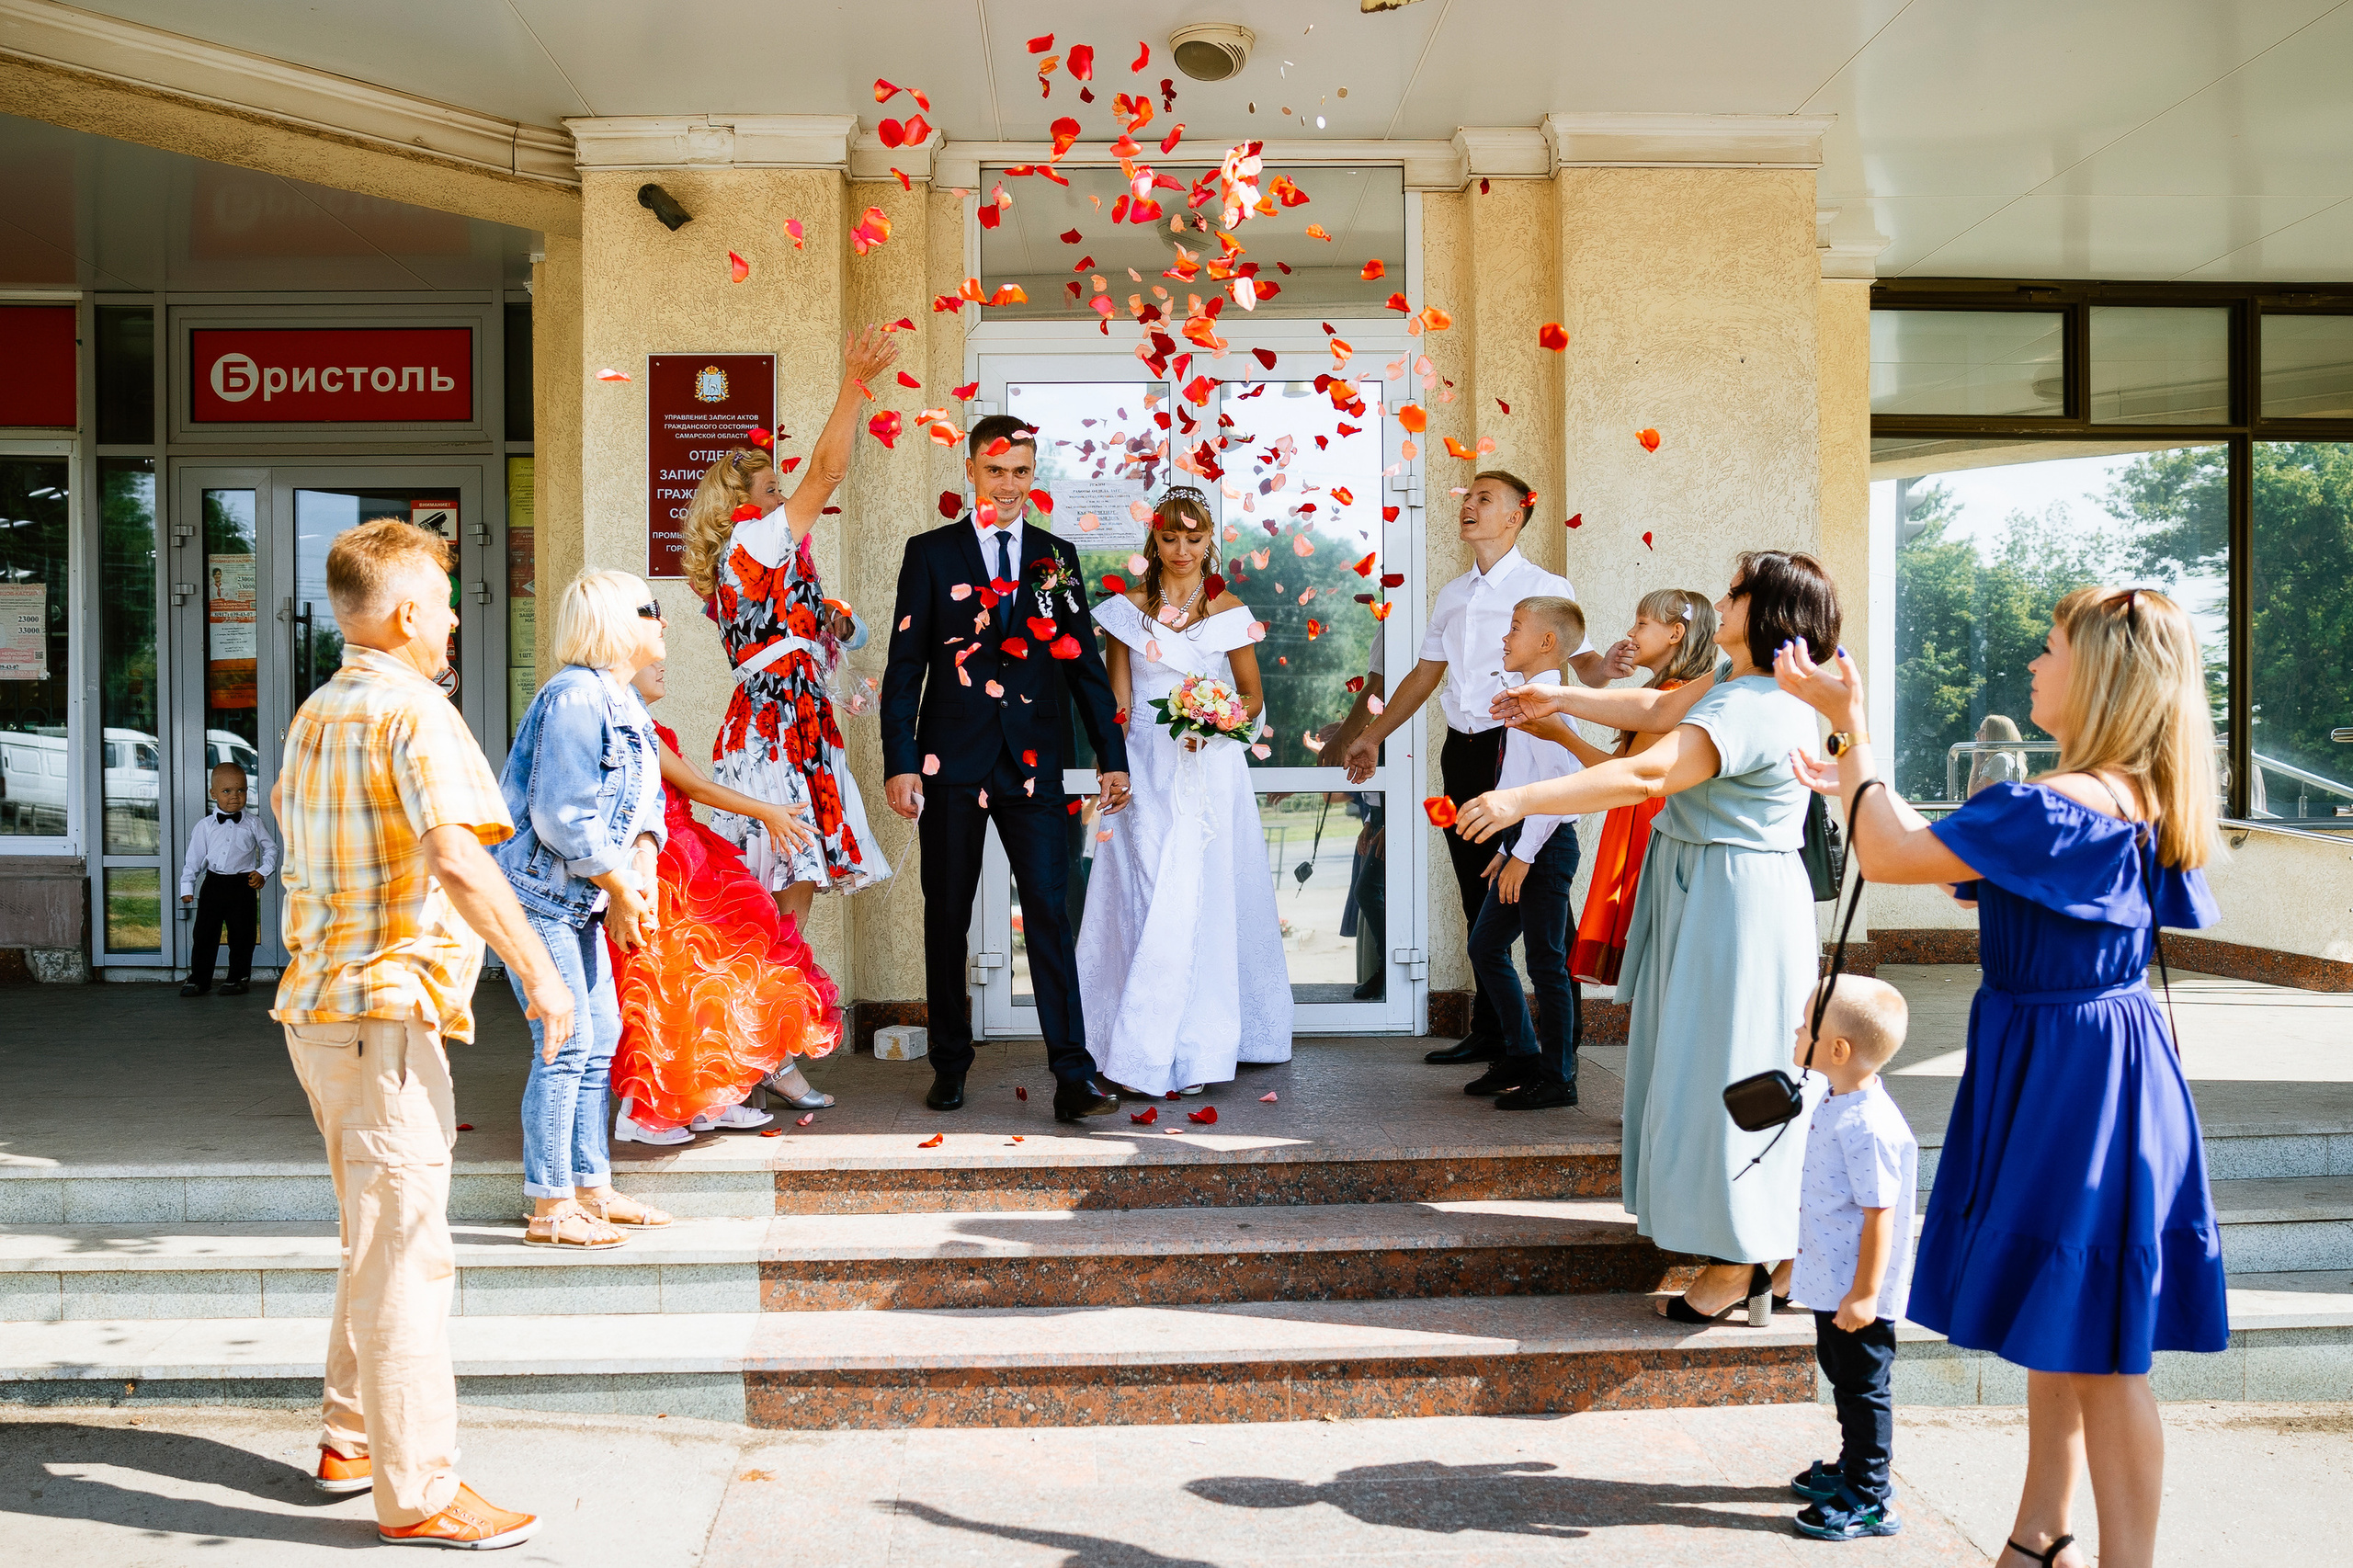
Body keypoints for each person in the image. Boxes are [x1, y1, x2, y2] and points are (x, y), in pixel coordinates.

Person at [1776, 585, 2225, 1568]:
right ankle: (2036, 1538)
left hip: (2067, 1076)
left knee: (2099, 1348)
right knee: (2064, 1318)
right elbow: (1943, 861)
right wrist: (1849, 782)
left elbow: (1888, 853)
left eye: (2052, 645)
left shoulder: (2050, 804)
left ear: (2099, 671)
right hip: (2107, 1065)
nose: (2034, 661)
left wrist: (1852, 724)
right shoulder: (2130, 797)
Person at [270, 517, 570, 1549]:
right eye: (443, 602)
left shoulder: (318, 709)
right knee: (408, 1254)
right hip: (383, 1016)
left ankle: (352, 1438)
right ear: (406, 614)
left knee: (377, 1233)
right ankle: (423, 1491)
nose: (452, 619)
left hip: (322, 1010)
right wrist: (539, 972)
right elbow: (456, 854)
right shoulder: (416, 712)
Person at [1461, 551, 1838, 1322]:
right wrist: (1558, 692)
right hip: (1720, 889)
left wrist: (1517, 800)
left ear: (1762, 611)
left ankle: (1738, 1262)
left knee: (1723, 1071)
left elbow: (1643, 774)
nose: (1721, 601)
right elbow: (1658, 715)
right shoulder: (1744, 687)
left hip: (1729, 903)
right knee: (1736, 1064)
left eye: (1734, 593)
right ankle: (1787, 1252)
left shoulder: (1752, 704)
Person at [881, 415, 1131, 1123]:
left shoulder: (1054, 558)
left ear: (1033, 473)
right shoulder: (929, 554)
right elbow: (905, 670)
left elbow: (1082, 667)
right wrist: (903, 763)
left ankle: (1073, 1077)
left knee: (1051, 914)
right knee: (946, 918)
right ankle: (950, 1065)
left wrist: (1110, 757)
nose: (1010, 484)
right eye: (997, 471)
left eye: (1022, 471)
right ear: (971, 471)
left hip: (1033, 765)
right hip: (950, 764)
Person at [1340, 471, 1628, 1066]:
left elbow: (1588, 666)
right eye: (1466, 497)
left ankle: (1560, 1040)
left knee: (1543, 891)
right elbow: (1424, 676)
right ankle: (1495, 1032)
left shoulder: (1545, 586)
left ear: (1516, 515)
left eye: (1484, 499)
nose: (1469, 506)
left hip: (1518, 744)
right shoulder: (1452, 594)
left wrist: (1616, 667)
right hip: (1465, 751)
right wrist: (1371, 736)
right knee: (1480, 895)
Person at [681, 325, 901, 932]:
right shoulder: (755, 536)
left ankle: (778, 1010)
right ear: (739, 504)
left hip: (775, 719)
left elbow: (800, 638)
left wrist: (830, 623)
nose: (784, 499)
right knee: (783, 895)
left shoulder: (743, 560)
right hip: (781, 729)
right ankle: (778, 1012)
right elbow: (828, 472)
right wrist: (855, 386)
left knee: (778, 892)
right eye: (771, 489)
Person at [1077, 486, 1293, 1096]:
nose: (1182, 549)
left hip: (1210, 767)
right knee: (1148, 894)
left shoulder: (1228, 608)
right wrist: (1110, 768)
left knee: (1201, 896)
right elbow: (1117, 702)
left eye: (1194, 538)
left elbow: (1250, 694)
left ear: (1209, 542)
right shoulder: (1125, 611)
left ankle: (1196, 1048)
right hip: (1146, 762)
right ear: (1154, 540)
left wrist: (1219, 719)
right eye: (1170, 537)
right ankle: (1139, 1043)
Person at [492, 569, 672, 1249]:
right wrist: (622, 888)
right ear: (617, 620)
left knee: (599, 1038)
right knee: (565, 1043)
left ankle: (591, 1189)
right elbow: (562, 816)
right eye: (651, 609)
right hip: (538, 896)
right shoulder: (574, 697)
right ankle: (549, 1205)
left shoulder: (623, 702)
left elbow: (647, 809)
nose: (663, 619)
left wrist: (637, 878)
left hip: (581, 899)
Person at [608, 658, 842, 1145]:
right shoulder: (629, 723)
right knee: (669, 984)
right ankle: (647, 1108)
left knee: (712, 977)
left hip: (688, 853)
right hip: (666, 862)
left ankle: (707, 1098)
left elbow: (701, 785)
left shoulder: (652, 725)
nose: (662, 665)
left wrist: (768, 808)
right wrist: (767, 812)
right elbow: (695, 787)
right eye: (651, 658)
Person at [1784, 975, 1918, 1542]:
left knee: (1863, 1388)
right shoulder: (1839, 1096)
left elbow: (1879, 1215)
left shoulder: (1868, 1125)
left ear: (1837, 1050)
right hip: (1830, 1277)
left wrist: (1865, 1295)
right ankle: (1853, 1465)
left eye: (1806, 1025)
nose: (1796, 1029)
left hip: (1855, 1290)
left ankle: (1870, 1495)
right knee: (1843, 1377)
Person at [1463, 597, 1588, 1109]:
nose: (1505, 637)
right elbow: (1518, 782)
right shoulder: (1522, 697)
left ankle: (1558, 1077)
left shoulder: (1554, 705)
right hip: (1526, 842)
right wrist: (1505, 845)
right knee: (1486, 946)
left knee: (1546, 964)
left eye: (1514, 628)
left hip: (1549, 844)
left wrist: (1526, 854)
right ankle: (1520, 1055)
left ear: (1546, 643)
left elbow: (1559, 789)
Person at [1566, 589, 1720, 988]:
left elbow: (1622, 773)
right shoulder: (1665, 694)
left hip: (1645, 828)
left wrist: (1561, 736)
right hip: (1640, 821)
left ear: (1676, 633)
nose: (1630, 632)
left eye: (1641, 623)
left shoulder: (1671, 698)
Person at [178, 759, 278, 996]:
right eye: (227, 791)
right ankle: (199, 979)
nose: (235, 796)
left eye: (241, 790)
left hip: (242, 885)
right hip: (213, 884)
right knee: (204, 934)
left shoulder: (254, 823)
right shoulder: (205, 826)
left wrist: (263, 872)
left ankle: (238, 978)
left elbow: (271, 849)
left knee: (242, 935)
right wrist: (187, 885)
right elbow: (194, 858)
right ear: (213, 794)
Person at [1968, 712, 2029, 796]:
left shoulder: (2000, 759)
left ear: (1996, 736)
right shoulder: (2011, 759)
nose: (1977, 734)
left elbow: (1974, 797)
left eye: (1983, 731)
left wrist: (1976, 765)